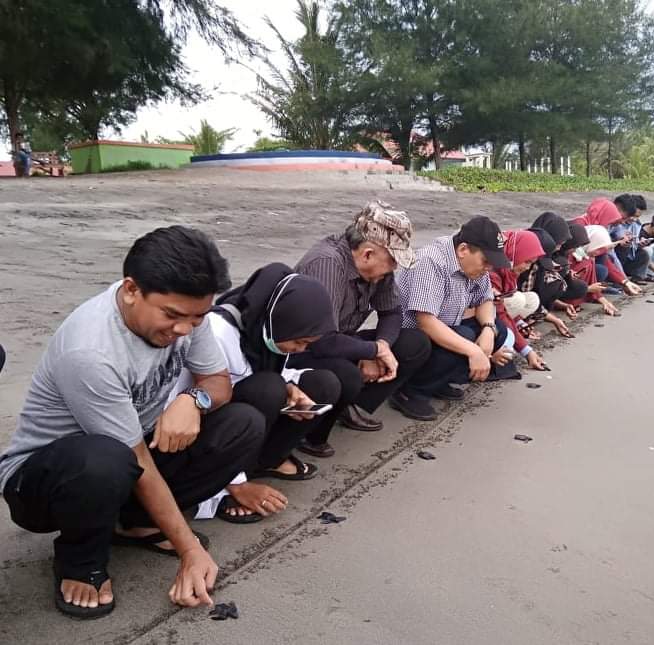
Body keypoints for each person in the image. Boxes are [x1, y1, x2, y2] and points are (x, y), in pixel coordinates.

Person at [0, 226, 265, 618]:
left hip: (129, 450)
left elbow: (219, 383)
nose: (181, 330)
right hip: (44, 482)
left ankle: (130, 525)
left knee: (244, 422)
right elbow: (135, 459)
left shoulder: (190, 316)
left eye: (195, 319)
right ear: (130, 290)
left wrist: (194, 400)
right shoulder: (91, 351)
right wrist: (190, 549)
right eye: (171, 316)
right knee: (105, 460)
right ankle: (79, 559)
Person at [185, 263, 346, 522]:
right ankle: (225, 484)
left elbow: (255, 369)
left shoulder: (266, 329)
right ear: (279, 320)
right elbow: (197, 397)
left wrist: (291, 387)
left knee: (322, 384)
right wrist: (235, 483)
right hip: (205, 425)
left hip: (243, 417)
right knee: (268, 388)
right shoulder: (218, 332)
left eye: (307, 344)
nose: (301, 350)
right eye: (299, 341)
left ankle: (263, 463)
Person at [293, 201, 432, 447]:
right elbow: (321, 340)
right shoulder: (327, 264)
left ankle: (348, 406)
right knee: (346, 375)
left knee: (415, 343)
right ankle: (307, 435)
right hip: (302, 349)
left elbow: (392, 313)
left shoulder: (378, 270)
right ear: (368, 253)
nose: (395, 268)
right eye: (393, 260)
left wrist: (382, 346)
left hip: (340, 340)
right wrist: (371, 351)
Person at [395, 216, 511, 406]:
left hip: (444, 327)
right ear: (463, 249)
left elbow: (486, 300)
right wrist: (474, 351)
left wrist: (489, 329)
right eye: (485, 261)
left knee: (498, 328)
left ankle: (437, 381)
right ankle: (409, 389)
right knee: (465, 337)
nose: (488, 268)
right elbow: (426, 322)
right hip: (411, 340)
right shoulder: (431, 261)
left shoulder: (474, 267)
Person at [490, 230, 549, 370]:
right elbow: (501, 312)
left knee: (531, 299)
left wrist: (520, 324)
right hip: (479, 319)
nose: (527, 268)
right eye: (527, 261)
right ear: (515, 253)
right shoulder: (493, 273)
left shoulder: (508, 270)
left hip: (492, 315)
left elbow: (503, 311)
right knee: (507, 344)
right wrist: (526, 350)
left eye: (531, 263)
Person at [564, 223, 620, 317]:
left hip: (574, 290)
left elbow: (593, 280)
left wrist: (604, 301)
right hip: (562, 294)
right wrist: (588, 289)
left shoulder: (582, 253)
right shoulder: (564, 256)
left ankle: (578, 300)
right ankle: (570, 301)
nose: (597, 252)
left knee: (591, 264)